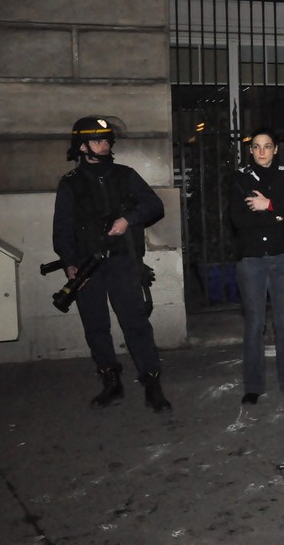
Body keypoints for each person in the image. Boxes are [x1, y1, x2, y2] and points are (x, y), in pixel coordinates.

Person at [52, 116, 171, 413]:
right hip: (87, 265)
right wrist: (70, 264)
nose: (104, 145)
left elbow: (154, 205)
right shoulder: (70, 184)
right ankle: (110, 382)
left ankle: (152, 383)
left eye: (106, 140)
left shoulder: (125, 175)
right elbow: (62, 228)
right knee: (95, 326)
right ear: (82, 146)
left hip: (122, 261)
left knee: (135, 323)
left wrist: (128, 220)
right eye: (97, 140)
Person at [230, 129, 284, 404]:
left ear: (275, 149)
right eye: (256, 147)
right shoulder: (240, 177)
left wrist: (268, 206)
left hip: (282, 258)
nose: (262, 151)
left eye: (267, 146)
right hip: (252, 259)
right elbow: (239, 219)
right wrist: (279, 214)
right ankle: (253, 386)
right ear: (250, 150)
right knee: (255, 324)